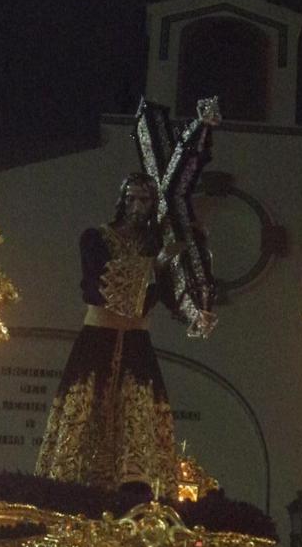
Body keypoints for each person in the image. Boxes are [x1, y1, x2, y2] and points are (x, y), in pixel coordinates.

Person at [35, 176, 215, 500]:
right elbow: (96, 286)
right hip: (97, 339)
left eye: (144, 201)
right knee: (86, 408)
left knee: (137, 414)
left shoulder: (157, 243)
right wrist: (155, 265)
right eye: (131, 199)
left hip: (135, 344)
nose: (136, 207)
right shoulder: (96, 239)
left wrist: (195, 313)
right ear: (122, 200)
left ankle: (135, 487)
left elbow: (173, 293)